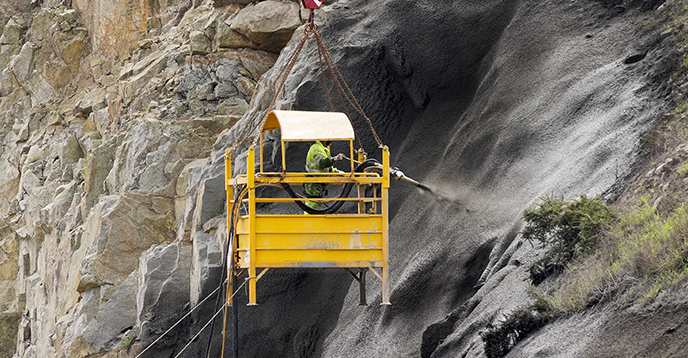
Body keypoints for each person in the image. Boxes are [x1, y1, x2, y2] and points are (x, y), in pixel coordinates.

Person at [304, 140, 346, 210]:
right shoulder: (316, 148)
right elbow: (321, 163)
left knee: (315, 205)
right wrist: (335, 159)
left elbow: (327, 169)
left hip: (317, 183)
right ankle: (310, 220)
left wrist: (337, 172)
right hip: (313, 183)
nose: (330, 140)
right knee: (313, 206)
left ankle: (313, 219)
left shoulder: (322, 149)